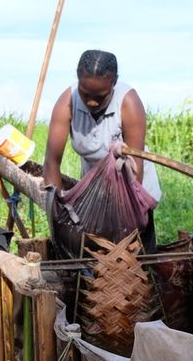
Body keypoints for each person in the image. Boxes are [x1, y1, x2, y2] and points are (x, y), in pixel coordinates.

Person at [42, 49, 162, 251]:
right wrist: (57, 208)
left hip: (132, 192)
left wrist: (122, 219)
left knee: (135, 261)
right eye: (85, 93)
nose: (90, 102)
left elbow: (136, 171)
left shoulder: (128, 103)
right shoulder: (67, 102)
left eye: (100, 97)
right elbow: (52, 161)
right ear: (78, 79)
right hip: (94, 193)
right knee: (93, 258)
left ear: (114, 83)